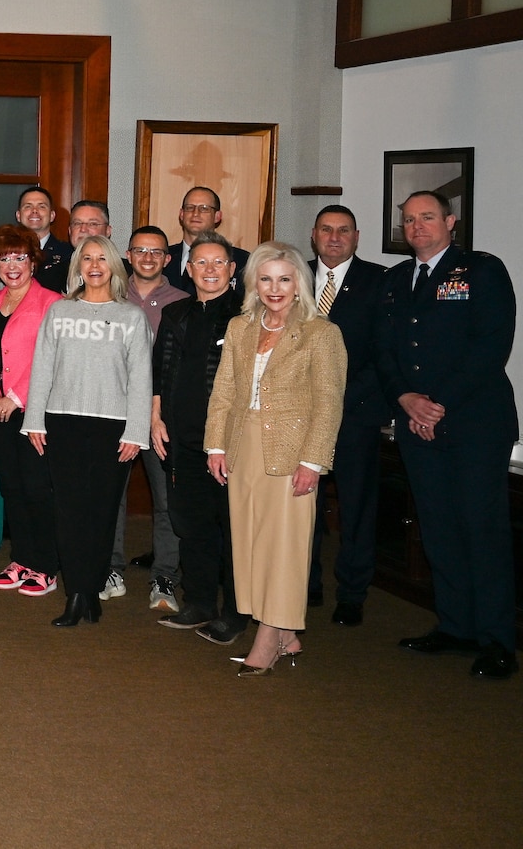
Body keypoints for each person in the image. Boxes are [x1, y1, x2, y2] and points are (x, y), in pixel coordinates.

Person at [376, 190, 518, 680]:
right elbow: (384, 350)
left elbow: (490, 346)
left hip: (474, 423)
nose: (418, 227)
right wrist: (405, 398)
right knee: (437, 529)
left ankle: (498, 639)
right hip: (417, 422)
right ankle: (456, 626)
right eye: (410, 220)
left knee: (482, 530)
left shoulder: (482, 270)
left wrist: (436, 404)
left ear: (451, 221)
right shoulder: (395, 280)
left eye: (428, 217)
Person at [205, 242, 347, 675]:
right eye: (265, 279)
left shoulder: (322, 333)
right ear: (253, 283)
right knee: (248, 543)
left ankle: (269, 637)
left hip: (293, 452)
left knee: (282, 547)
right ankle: (285, 633)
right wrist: (216, 445)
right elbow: (224, 390)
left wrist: (313, 461)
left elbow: (329, 402)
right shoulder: (241, 326)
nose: (275, 288)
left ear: (299, 283)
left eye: (284, 279)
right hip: (243, 446)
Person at [22, 235, 152, 627]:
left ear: (114, 266)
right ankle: (76, 593)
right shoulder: (60, 312)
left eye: (102, 259)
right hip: (62, 422)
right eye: (86, 258)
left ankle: (90, 590)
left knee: (102, 513)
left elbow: (141, 378)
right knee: (69, 512)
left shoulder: (132, 317)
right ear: (77, 266)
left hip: (113, 429)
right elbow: (42, 368)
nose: (94, 265)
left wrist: (136, 431)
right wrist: (33, 419)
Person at [151, 235, 248, 639]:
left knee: (232, 527)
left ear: (231, 269)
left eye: (218, 263)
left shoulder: (246, 315)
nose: (209, 270)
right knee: (191, 524)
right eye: (200, 263)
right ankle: (200, 602)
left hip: (228, 442)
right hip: (181, 438)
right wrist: (156, 419)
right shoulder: (175, 313)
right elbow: (160, 372)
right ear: (187, 270)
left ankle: (238, 611)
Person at [0, 226, 63, 599]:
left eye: (19, 256)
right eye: (3, 258)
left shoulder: (52, 303)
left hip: (34, 411)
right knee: (11, 487)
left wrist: (16, 396)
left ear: (33, 260)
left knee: (37, 488)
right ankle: (21, 559)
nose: (12, 265)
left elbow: (51, 360)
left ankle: (46, 566)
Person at [304, 205, 391, 626]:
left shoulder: (380, 281)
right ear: (313, 235)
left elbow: (385, 354)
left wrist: (338, 399)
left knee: (356, 507)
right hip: (299, 416)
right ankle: (307, 584)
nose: (334, 238)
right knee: (306, 505)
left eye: (343, 231)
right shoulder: (295, 276)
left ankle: (352, 593)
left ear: (357, 236)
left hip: (356, 413)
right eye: (326, 230)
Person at [120, 224, 187, 612]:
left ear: (168, 258)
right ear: (128, 255)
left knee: (166, 501)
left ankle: (165, 577)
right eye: (140, 251)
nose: (147, 258)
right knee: (112, 497)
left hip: (160, 417)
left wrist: (158, 411)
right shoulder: (110, 295)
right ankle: (110, 568)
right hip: (115, 413)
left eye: (156, 252)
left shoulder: (182, 302)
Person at [163, 188, 250, 293]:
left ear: (217, 216)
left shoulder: (242, 260)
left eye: (204, 208)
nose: (195, 213)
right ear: (181, 214)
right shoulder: (162, 258)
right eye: (190, 208)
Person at [16, 187, 73, 294]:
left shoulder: (68, 254)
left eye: (42, 206)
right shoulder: (5, 252)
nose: (34, 211)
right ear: (18, 216)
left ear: (52, 216)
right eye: (28, 206)